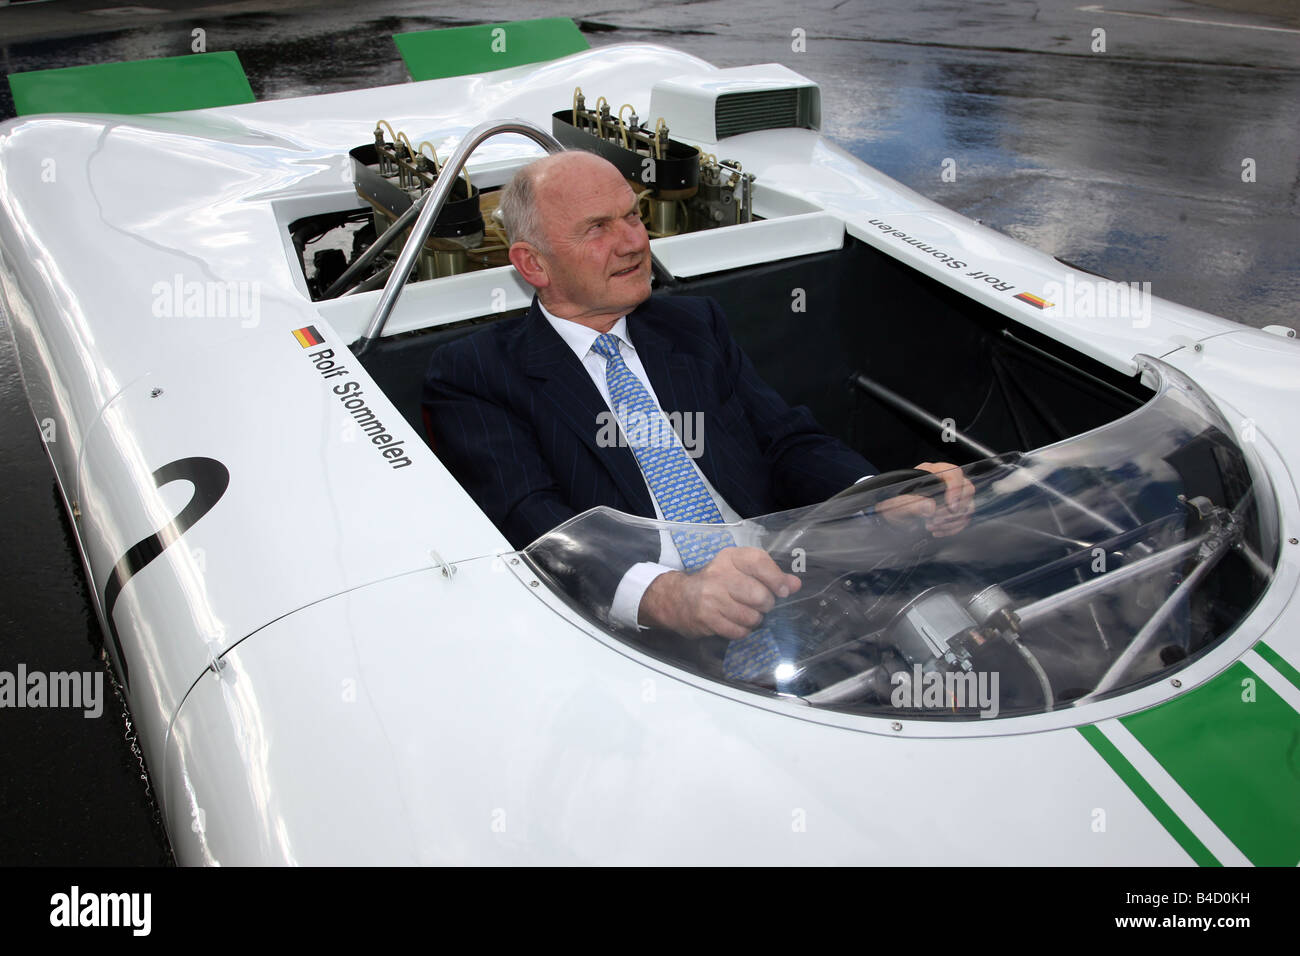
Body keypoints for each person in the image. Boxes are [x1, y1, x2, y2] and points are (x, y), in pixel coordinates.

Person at [422, 150, 973, 650]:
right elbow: (539, 526)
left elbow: (784, 439)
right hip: (646, 639)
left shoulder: (692, 325)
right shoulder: (476, 375)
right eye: (597, 229)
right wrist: (670, 597)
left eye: (633, 215)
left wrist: (876, 495)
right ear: (533, 264)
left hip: (794, 579)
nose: (635, 242)